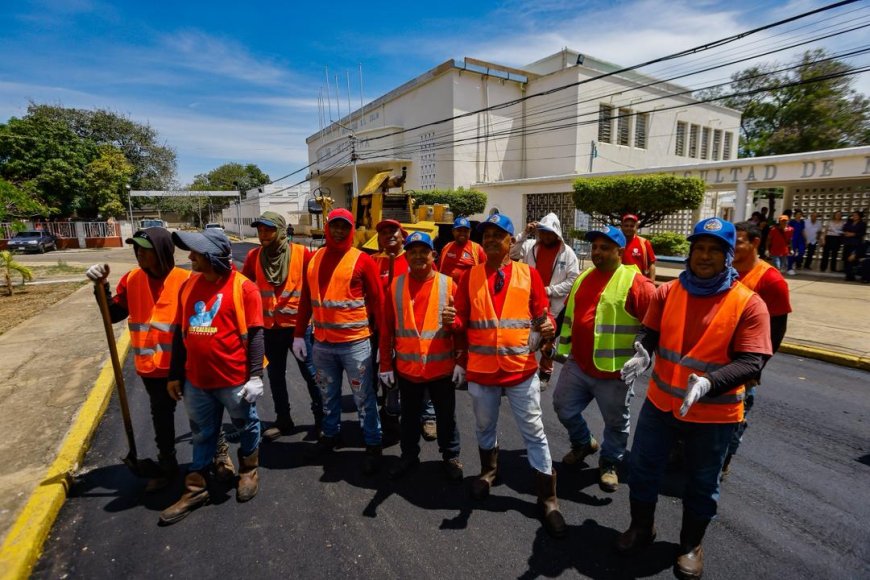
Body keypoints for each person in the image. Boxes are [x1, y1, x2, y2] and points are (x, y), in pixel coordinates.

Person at [617, 217, 771, 579]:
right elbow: (650, 330)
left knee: (703, 481)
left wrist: (708, 384)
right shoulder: (668, 292)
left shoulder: (749, 304)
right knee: (642, 468)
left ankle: (689, 544)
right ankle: (642, 527)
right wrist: (643, 351)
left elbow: (752, 361)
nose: (704, 256)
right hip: (660, 404)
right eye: (699, 248)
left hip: (715, 415)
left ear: (728, 256)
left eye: (714, 251)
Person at [444, 213, 567, 538]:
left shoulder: (529, 275)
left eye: (497, 236)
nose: (490, 241)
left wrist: (548, 329)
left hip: (520, 372)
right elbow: (461, 323)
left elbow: (545, 319)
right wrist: (449, 323)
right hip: (482, 373)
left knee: (534, 433)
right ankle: (488, 472)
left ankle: (548, 498)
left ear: (511, 242)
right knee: (485, 426)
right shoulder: (469, 278)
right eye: (485, 236)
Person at [85, 228, 235, 492]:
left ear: (162, 252)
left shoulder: (187, 280)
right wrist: (101, 288)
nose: (139, 254)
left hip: (188, 365)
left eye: (145, 249)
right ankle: (167, 466)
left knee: (202, 415)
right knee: (161, 418)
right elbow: (113, 315)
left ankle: (219, 454)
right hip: (153, 369)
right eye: (137, 248)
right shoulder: (132, 279)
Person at [160, 228, 266, 524]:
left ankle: (248, 470)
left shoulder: (244, 288)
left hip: (234, 380)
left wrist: (255, 376)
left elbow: (256, 336)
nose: (190, 257)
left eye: (196, 253)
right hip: (196, 381)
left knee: (246, 424)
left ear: (212, 257)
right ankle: (196, 487)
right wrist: (174, 375)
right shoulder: (188, 286)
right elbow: (180, 335)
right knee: (202, 433)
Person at [552, 225, 654, 492]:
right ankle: (583, 442)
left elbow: (653, 324)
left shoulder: (636, 283)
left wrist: (645, 353)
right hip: (579, 363)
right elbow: (568, 312)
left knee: (616, 423)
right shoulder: (584, 277)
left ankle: (609, 463)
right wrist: (550, 337)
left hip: (614, 372)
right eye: (594, 247)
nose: (597, 252)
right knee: (563, 406)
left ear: (620, 251)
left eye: (604, 247)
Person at [293, 208, 384, 475]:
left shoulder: (363, 260)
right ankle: (330, 435)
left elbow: (378, 304)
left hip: (355, 344)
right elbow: (305, 301)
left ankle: (373, 443)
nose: (339, 231)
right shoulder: (314, 258)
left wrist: (384, 345)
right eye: (335, 225)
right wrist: (299, 333)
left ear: (352, 229)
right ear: (328, 227)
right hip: (322, 344)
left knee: (364, 398)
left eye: (345, 226)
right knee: (327, 396)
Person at [379, 231, 463, 481]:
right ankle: (408, 456)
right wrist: (385, 364)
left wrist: (461, 361)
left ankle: (451, 456)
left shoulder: (448, 284)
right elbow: (386, 329)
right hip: (408, 369)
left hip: (442, 368)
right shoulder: (395, 286)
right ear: (406, 255)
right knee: (409, 418)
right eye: (412, 251)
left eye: (423, 251)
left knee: (446, 417)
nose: (417, 256)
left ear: (433, 255)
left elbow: (460, 324)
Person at [241, 211, 322, 441]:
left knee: (311, 374)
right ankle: (283, 420)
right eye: (260, 230)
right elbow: (242, 287)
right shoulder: (253, 256)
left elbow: (313, 286)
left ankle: (322, 420)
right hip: (269, 328)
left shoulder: (301, 253)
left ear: (280, 230)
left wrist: (314, 320)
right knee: (275, 376)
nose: (263, 234)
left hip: (298, 328)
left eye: (268, 230)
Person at [725, 221, 792, 478]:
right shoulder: (723, 269)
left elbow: (776, 333)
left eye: (737, 241)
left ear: (755, 243)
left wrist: (755, 367)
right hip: (711, 359)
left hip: (743, 365)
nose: (731, 247)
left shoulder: (771, 280)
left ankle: (724, 460)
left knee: (734, 419)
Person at [510, 213, 580, 391]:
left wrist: (547, 291)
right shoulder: (530, 246)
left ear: (557, 233)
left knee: (548, 339)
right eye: (543, 232)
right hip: (528, 302)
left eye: (550, 233)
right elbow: (512, 252)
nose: (547, 236)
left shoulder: (567, 253)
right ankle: (523, 369)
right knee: (527, 336)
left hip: (554, 305)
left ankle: (545, 373)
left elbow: (573, 280)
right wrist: (524, 233)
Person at [439, 216, 486, 284]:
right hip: (447, 291)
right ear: (453, 231)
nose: (462, 233)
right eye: (459, 230)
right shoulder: (446, 247)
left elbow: (485, 272)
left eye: (466, 231)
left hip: (468, 291)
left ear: (470, 231)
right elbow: (439, 268)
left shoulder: (477, 249)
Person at [619, 213, 656, 281]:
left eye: (632, 226)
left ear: (636, 227)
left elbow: (652, 264)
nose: (629, 228)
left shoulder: (644, 242)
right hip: (620, 281)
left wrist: (652, 282)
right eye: (626, 226)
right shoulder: (616, 243)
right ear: (622, 227)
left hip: (639, 282)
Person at [842, 211, 867, 282]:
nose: (854, 216)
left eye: (856, 215)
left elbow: (862, 233)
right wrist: (846, 233)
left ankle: (852, 275)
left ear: (860, 216)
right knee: (846, 259)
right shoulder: (849, 222)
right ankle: (848, 275)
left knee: (852, 259)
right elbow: (844, 229)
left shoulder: (862, 224)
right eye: (853, 215)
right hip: (847, 243)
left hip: (856, 244)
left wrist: (853, 234)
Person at [787, 210, 806, 275]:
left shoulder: (802, 222)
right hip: (793, 238)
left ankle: (793, 262)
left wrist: (806, 239)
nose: (799, 215)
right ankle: (789, 268)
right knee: (792, 253)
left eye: (800, 214)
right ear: (795, 215)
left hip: (800, 238)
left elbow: (803, 230)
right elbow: (789, 230)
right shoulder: (792, 222)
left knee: (801, 252)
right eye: (798, 214)